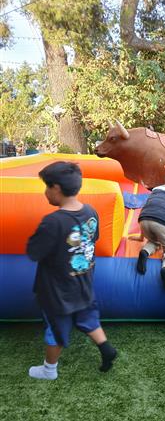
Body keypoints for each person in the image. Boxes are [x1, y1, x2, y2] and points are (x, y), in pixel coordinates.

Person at [26, 161, 117, 380]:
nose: (45, 192)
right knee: (87, 316)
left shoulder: (53, 222)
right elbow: (92, 239)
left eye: (46, 187)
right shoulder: (91, 212)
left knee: (56, 328)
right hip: (83, 282)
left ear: (56, 188)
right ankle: (106, 348)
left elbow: (33, 252)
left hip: (57, 290)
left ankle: (49, 370)